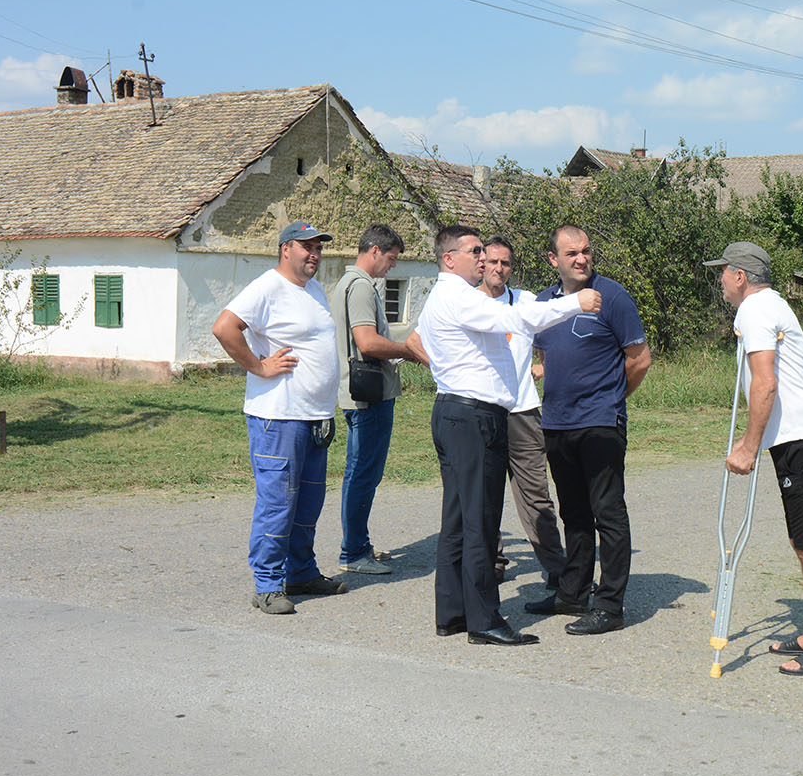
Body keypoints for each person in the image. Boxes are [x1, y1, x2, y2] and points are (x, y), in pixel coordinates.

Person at [407, 225, 600, 646]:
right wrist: (574, 303)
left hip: (459, 411)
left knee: (458, 518)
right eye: (475, 252)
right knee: (479, 520)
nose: (482, 259)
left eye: (485, 252)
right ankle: (484, 620)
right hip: (472, 415)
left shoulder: (445, 296)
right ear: (448, 259)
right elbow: (512, 318)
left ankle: (453, 612)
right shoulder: (458, 296)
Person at [707, 241, 803, 676]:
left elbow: (764, 383)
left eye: (724, 272)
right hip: (802, 440)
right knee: (802, 542)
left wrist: (748, 446)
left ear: (740, 276)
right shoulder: (769, 304)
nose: (720, 280)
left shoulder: (754, 310)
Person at [211, 222, 346, 615]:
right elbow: (224, 327)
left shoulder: (315, 290)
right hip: (278, 418)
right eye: (307, 246)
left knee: (308, 503)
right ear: (286, 249)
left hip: (313, 416)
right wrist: (258, 366)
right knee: (278, 504)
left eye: (319, 247)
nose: (314, 254)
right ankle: (267, 585)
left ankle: (300, 572)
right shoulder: (267, 287)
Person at [523, 224, 651, 636]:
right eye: (572, 253)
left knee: (607, 512)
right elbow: (549, 354)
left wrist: (612, 398)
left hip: (600, 423)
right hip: (557, 423)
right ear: (553, 260)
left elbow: (640, 358)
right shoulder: (543, 303)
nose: (581, 259)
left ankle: (610, 605)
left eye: (586, 251)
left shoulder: (611, 296)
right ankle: (572, 593)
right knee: (574, 513)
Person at [479, 236, 567, 588]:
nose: (500, 269)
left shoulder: (525, 300)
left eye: (506, 263)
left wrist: (546, 366)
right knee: (484, 495)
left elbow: (559, 327)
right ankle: (491, 561)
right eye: (493, 262)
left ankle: (557, 568)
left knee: (536, 494)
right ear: (481, 263)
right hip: (483, 411)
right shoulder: (468, 302)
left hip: (523, 411)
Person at [333, 224, 414, 576]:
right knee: (363, 474)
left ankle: (358, 545)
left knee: (361, 472)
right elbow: (367, 343)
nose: (391, 267)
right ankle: (353, 551)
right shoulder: (362, 287)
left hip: (362, 394)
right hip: (369, 395)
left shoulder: (349, 283)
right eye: (391, 259)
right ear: (376, 251)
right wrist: (408, 351)